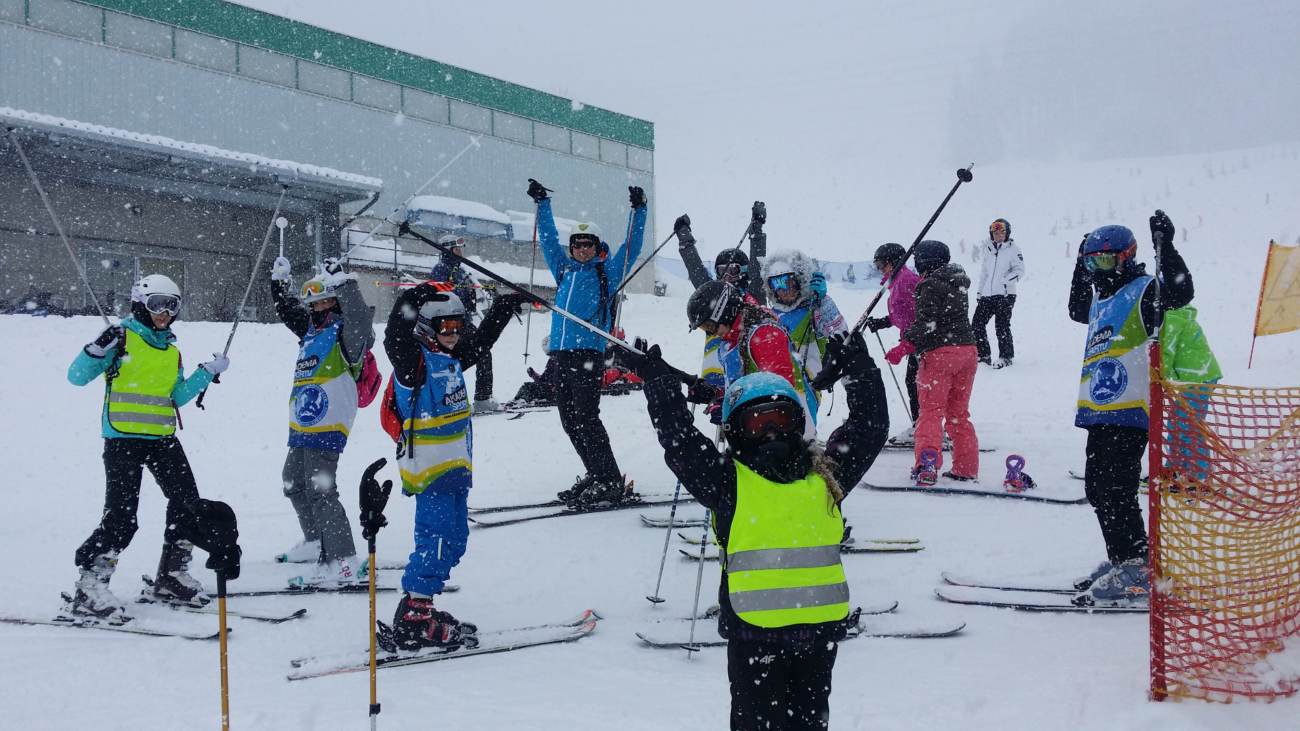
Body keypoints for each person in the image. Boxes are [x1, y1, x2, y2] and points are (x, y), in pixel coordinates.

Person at [625, 331, 888, 731]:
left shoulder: (822, 478)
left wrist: (861, 371)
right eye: (757, 423)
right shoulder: (732, 481)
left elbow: (870, 429)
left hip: (797, 635)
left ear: (797, 425)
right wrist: (659, 383)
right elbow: (681, 442)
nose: (770, 432)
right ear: (736, 431)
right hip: (767, 636)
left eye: (780, 419)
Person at [65, 274, 231, 619]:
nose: (164, 313)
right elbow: (76, 377)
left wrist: (206, 371)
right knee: (122, 518)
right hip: (122, 438)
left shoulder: (171, 351)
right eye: (157, 304)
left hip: (162, 439)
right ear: (140, 304)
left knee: (189, 505)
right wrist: (95, 350)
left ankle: (171, 575)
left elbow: (176, 397)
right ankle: (90, 585)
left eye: (172, 306)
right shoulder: (120, 339)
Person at [380, 283, 527, 649]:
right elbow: (394, 336)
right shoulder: (413, 363)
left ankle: (421, 605)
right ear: (427, 327)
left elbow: (482, 341)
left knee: (455, 541)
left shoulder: (450, 357)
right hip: (429, 473)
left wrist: (505, 305)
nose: (454, 334)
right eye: (446, 327)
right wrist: (416, 295)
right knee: (437, 541)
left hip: (454, 472)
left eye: (459, 326)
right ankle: (414, 616)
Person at [1068, 211, 1194, 606]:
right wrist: (1080, 265)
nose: (1097, 271)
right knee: (1098, 489)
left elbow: (1181, 293)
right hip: (1099, 409)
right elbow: (1076, 308)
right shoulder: (1100, 298)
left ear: (1126, 257)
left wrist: (1165, 247)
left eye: (1104, 261)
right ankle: (1125, 558)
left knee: (1116, 489)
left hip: (1131, 409)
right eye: (1092, 263)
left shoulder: (1143, 290)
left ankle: (1136, 566)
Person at [527, 178, 647, 507]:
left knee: (587, 418)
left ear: (596, 246)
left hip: (588, 356)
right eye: (577, 244)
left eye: (588, 244)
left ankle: (610, 479)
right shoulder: (564, 270)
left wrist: (639, 210)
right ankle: (596, 474)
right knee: (569, 421)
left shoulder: (606, 272)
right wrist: (542, 203)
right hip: (560, 356)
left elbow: (632, 248)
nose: (582, 249)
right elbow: (548, 241)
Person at [269, 255, 373, 585]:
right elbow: (290, 313)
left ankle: (341, 558)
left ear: (337, 302)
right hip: (303, 424)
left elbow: (359, 317)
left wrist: (344, 282)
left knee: (321, 490)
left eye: (324, 302)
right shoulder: (313, 333)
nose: (317, 309)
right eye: (313, 304)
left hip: (328, 423)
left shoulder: (346, 335)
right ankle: (316, 540)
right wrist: (279, 286)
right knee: (293, 482)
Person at [884, 241, 979, 486]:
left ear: (924, 261)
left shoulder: (929, 284)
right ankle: (966, 467)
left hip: (940, 354)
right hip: (968, 352)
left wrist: (903, 347)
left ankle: (927, 465)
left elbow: (927, 323)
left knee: (931, 412)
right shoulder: (958, 282)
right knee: (958, 414)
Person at [687, 280, 818, 439]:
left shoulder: (764, 335)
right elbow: (744, 382)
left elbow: (779, 393)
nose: (711, 333)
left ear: (723, 312)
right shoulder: (734, 338)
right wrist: (717, 394)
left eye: (709, 326)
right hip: (758, 431)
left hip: (784, 432)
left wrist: (735, 407)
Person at [674, 210, 766, 419]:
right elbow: (696, 272)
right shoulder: (713, 300)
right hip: (715, 375)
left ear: (744, 271)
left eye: (733, 269)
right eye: (722, 270)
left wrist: (757, 232)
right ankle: (720, 398)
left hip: (746, 373)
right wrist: (684, 239)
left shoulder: (752, 296)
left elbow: (758, 268)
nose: (727, 275)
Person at [429, 234, 499, 413]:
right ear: (448, 250)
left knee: (482, 351)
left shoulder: (460, 271)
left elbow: (465, 301)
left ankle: (483, 398)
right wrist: (458, 289)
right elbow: (441, 295)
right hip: (448, 323)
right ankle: (445, 401)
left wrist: (471, 293)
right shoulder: (440, 269)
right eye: (457, 249)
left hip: (463, 321)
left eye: (461, 249)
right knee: (454, 359)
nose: (460, 253)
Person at [864, 243, 923, 446]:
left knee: (917, 384)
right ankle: (922, 425)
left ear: (893, 262)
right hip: (914, 340)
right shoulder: (897, 281)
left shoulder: (906, 281)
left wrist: (909, 342)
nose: (880, 269)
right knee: (915, 383)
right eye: (877, 265)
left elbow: (919, 313)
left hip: (920, 341)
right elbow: (903, 313)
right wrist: (882, 322)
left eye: (882, 264)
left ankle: (924, 427)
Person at [761, 249, 849, 384]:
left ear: (799, 281)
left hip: (808, 388)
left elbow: (841, 335)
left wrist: (823, 301)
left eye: (787, 281)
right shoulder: (770, 317)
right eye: (776, 283)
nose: (783, 289)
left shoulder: (813, 311)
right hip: (776, 386)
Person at [1160, 305, 1222, 485]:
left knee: (1189, 426)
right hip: (1190, 378)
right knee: (1176, 423)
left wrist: (1160, 377)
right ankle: (1175, 469)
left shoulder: (1172, 317)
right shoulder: (1172, 314)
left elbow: (1166, 350)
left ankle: (1199, 476)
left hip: (1198, 378)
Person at [971, 218, 1025, 368]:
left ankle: (1006, 357)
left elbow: (1020, 270)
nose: (999, 235)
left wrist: (1005, 281)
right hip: (987, 294)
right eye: (995, 233)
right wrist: (980, 292)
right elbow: (984, 274)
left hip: (1005, 295)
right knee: (977, 324)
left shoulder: (1013, 249)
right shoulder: (988, 249)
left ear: (1007, 233)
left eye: (1002, 232)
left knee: (1001, 326)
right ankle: (983, 355)